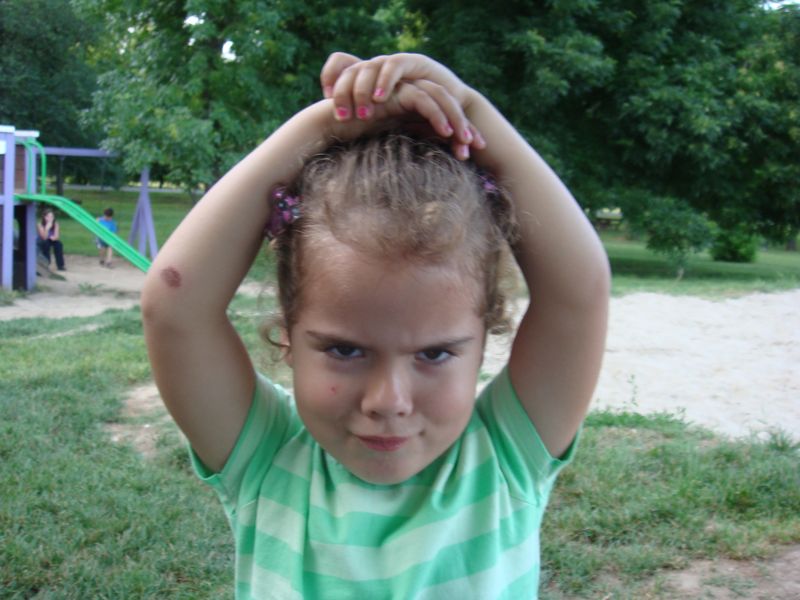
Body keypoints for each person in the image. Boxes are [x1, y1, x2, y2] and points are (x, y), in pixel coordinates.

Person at [141, 52, 610, 599]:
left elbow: (579, 294)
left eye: (434, 354)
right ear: (288, 334)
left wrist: (469, 112)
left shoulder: (504, 456)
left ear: (484, 341)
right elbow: (174, 304)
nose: (388, 401)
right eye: (345, 350)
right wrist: (325, 123)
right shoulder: (267, 457)